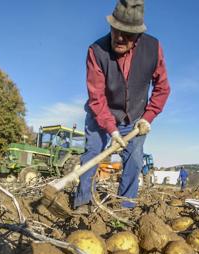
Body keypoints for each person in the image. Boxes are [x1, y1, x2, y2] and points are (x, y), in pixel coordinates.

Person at [73, 0, 170, 212]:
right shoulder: (96, 51)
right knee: (92, 153)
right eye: (115, 30)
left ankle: (125, 208)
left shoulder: (153, 48)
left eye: (126, 34)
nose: (118, 38)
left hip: (135, 117)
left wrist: (148, 117)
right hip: (102, 115)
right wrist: (111, 128)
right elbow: (96, 97)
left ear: (138, 35)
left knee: (135, 160)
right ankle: (83, 201)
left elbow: (162, 88)